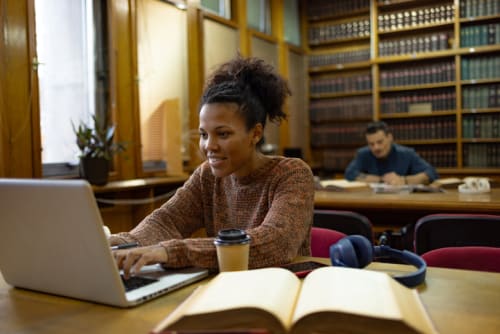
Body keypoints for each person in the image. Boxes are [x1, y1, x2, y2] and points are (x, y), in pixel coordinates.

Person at [110, 55, 315, 278]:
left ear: (255, 133)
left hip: (279, 293)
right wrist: (121, 243)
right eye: (203, 134)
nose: (209, 146)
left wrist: (171, 251)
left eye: (223, 134)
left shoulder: (292, 174)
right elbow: (166, 221)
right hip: (224, 291)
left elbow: (277, 243)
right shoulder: (206, 175)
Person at [344, 121, 438, 185]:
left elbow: (431, 173)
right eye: (371, 144)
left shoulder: (407, 154)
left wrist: (404, 180)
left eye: (380, 142)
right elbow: (350, 173)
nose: (376, 148)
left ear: (389, 138)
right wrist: (380, 180)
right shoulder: (363, 154)